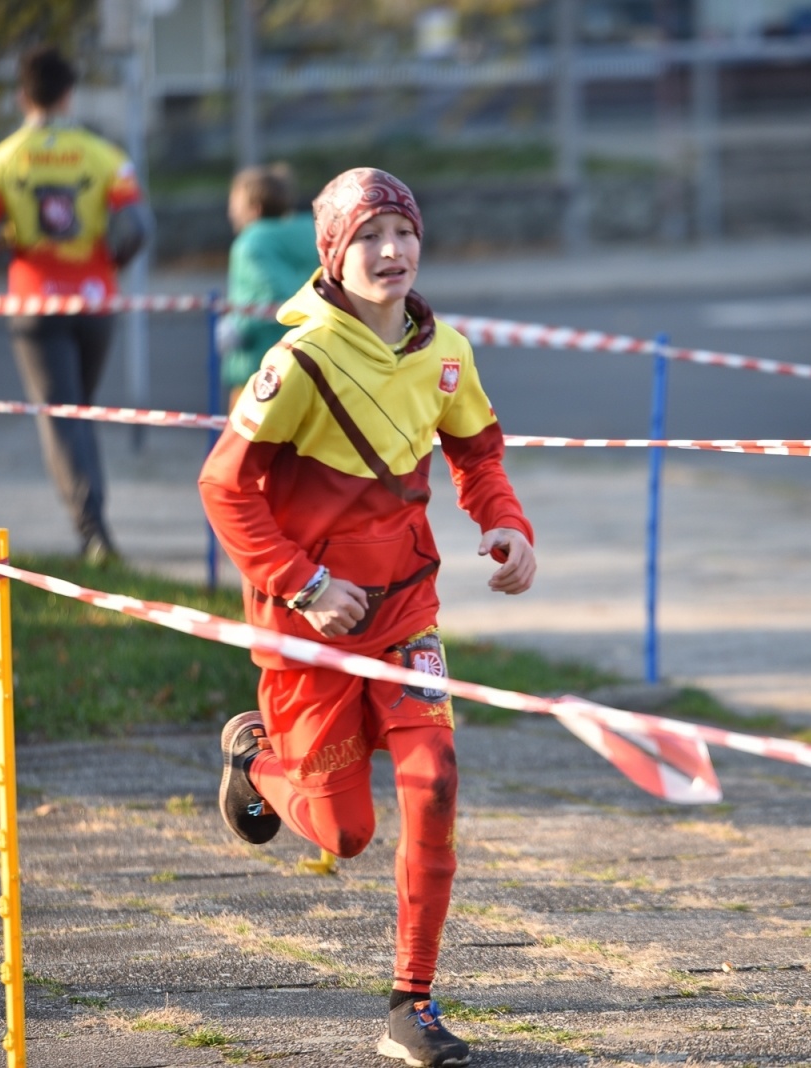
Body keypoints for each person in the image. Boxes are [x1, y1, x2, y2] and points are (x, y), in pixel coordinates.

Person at [198, 167, 535, 1067]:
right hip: (306, 629)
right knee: (344, 833)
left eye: (402, 233)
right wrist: (304, 583)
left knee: (434, 784)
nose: (390, 252)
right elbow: (223, 489)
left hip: (407, 618)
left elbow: (478, 452)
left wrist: (505, 523)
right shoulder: (297, 362)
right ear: (333, 256)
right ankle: (253, 758)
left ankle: (410, 1006)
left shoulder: (447, 350)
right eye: (367, 238)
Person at [0, 44, 151, 563]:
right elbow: (137, 228)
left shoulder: (0, 160)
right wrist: (109, 259)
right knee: (78, 411)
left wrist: (11, 237)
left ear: (23, 97)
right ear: (69, 94)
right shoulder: (104, 155)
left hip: (34, 305)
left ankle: (94, 534)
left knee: (61, 416)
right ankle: (96, 527)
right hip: (94, 300)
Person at [217, 163, 320, 409]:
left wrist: (236, 326)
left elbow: (272, 296)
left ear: (254, 208)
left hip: (258, 366)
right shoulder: (312, 233)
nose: (231, 211)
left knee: (245, 443)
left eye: (235, 203)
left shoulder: (250, 243)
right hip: (310, 357)